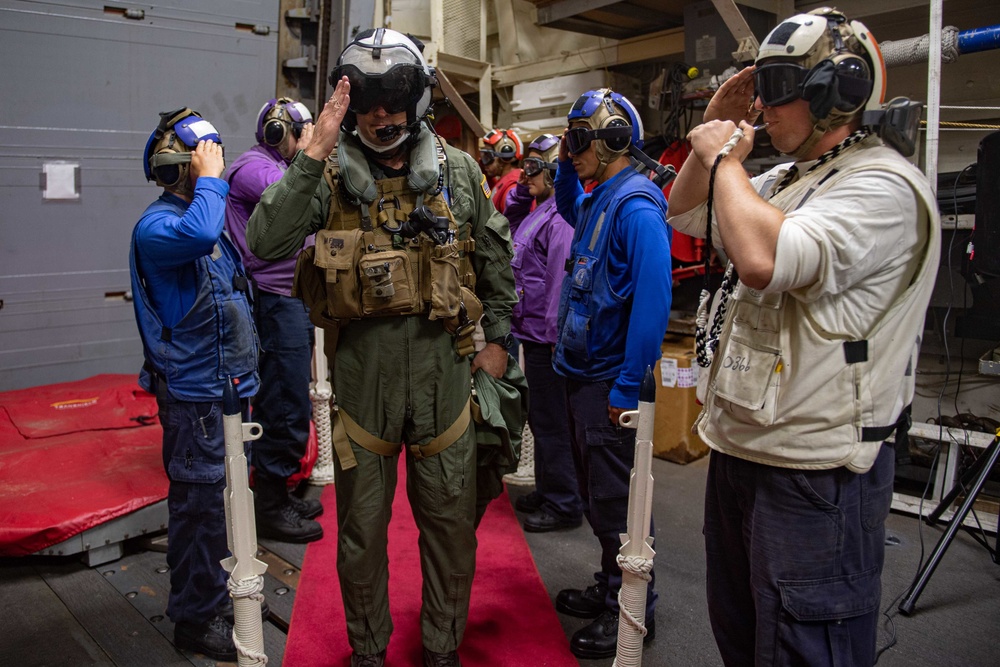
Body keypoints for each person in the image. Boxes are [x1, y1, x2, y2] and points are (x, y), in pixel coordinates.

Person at [667, 8, 940, 666]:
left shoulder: (883, 185)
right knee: (743, 630)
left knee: (802, 645)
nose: (762, 105)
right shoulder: (791, 178)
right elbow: (687, 210)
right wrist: (721, 138)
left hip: (814, 472)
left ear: (835, 92)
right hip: (744, 447)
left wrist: (728, 157)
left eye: (778, 88)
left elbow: (761, 257)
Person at [245, 28, 516, 667]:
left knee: (450, 532)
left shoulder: (456, 172)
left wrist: (498, 340)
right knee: (361, 536)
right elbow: (264, 241)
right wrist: (314, 150)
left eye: (393, 94)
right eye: (364, 97)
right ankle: (368, 650)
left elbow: (495, 258)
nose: (380, 112)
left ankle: (441, 648)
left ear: (417, 97)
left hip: (443, 380)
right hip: (363, 387)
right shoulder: (330, 176)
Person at [129, 108, 259, 662]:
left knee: (228, 506)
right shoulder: (160, 226)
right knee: (201, 512)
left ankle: (211, 596)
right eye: (202, 160)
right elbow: (204, 229)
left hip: (225, 388)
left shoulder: (199, 218)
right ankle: (193, 619)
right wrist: (211, 177)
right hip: (195, 398)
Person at [552, 88, 673, 660]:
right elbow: (567, 202)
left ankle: (631, 611)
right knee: (600, 500)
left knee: (617, 505)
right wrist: (561, 166)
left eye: (578, 140)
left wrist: (627, 387)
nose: (571, 150)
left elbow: (652, 305)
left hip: (608, 383)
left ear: (615, 141)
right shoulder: (601, 198)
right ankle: (608, 590)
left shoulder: (637, 207)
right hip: (583, 375)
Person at [224, 96, 324, 543]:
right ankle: (270, 504)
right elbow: (291, 204)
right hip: (273, 300)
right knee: (282, 401)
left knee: (290, 398)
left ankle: (278, 490)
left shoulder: (279, 166)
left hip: (292, 298)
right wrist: (309, 157)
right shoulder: (253, 167)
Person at [507, 133, 582, 532]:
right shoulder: (540, 209)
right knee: (542, 418)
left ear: (554, 172)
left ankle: (564, 503)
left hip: (546, 338)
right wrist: (523, 187)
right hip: (532, 332)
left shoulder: (560, 219)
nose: (525, 173)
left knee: (553, 423)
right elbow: (508, 226)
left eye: (534, 167)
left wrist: (555, 340)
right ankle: (549, 487)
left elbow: (558, 283)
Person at [480, 128, 523, 214]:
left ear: (505, 157)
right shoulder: (505, 182)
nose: (484, 163)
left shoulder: (513, 189)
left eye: (488, 156)